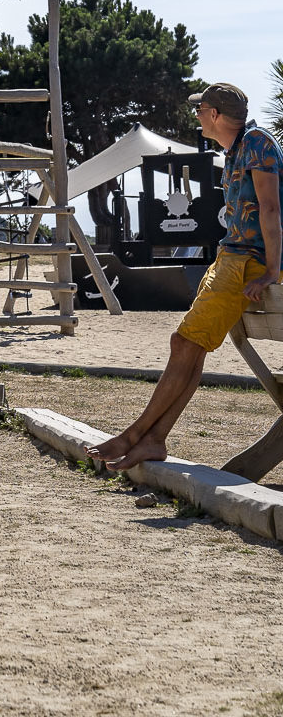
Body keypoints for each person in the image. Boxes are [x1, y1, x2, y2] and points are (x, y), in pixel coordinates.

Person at [88, 83, 282, 471]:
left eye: (200, 109)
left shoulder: (258, 143)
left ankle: (136, 436)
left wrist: (273, 271)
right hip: (232, 259)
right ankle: (151, 439)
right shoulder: (237, 149)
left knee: (185, 343)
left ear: (214, 115)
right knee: (187, 346)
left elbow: (272, 210)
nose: (196, 116)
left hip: (245, 264)